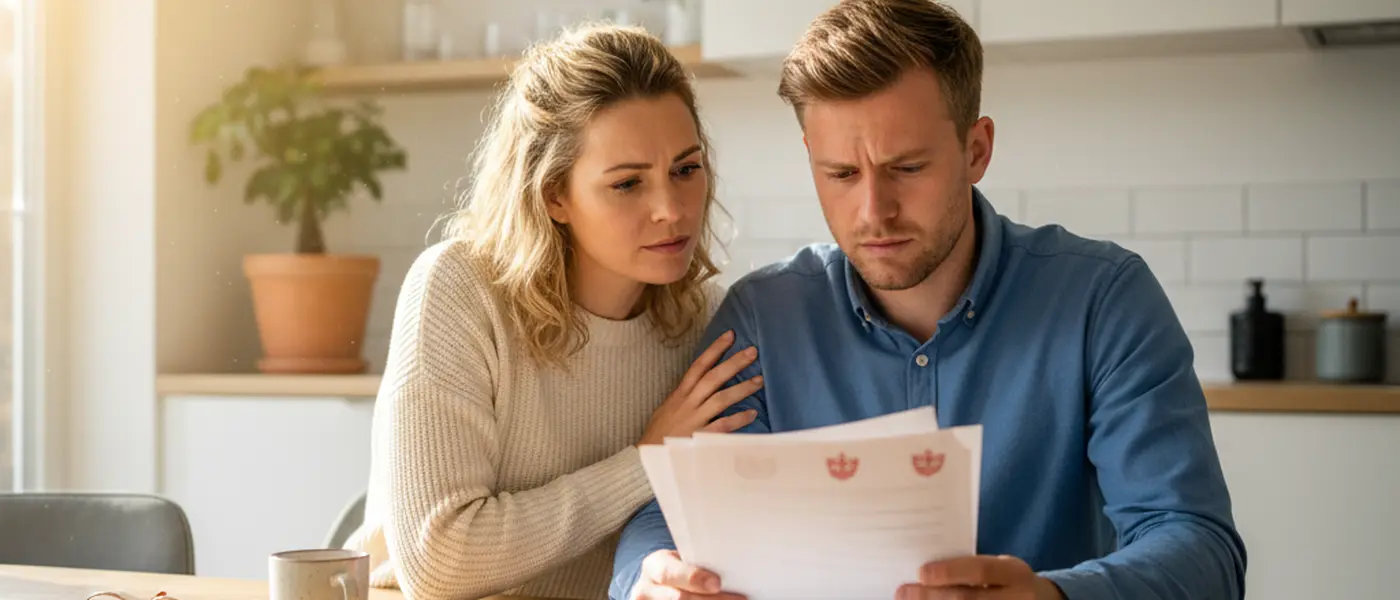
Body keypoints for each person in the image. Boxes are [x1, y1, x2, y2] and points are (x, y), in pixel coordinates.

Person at [610, 1, 1248, 599]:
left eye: (908, 168)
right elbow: (668, 511)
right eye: (841, 174)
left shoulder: (1102, 300)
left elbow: (1199, 546)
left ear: (976, 150)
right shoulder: (763, 319)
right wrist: (651, 579)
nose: (874, 211)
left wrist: (1052, 595)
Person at [343, 24, 766, 600]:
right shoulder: (460, 290)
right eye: (628, 184)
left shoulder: (707, 321)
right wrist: (647, 463)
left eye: (686, 169)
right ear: (554, 195)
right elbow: (439, 561)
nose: (671, 209)